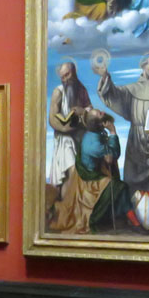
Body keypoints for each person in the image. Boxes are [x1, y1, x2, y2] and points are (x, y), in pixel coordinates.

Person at [96, 53, 149, 196]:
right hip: (136, 140)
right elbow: (114, 94)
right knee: (132, 182)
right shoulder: (132, 89)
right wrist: (105, 77)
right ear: (144, 66)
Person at [49, 108, 138, 234]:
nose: (103, 112)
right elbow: (113, 155)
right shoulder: (93, 144)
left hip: (94, 173)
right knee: (120, 187)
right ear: (100, 123)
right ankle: (134, 222)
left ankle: (120, 217)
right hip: (91, 181)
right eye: (100, 114)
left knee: (116, 184)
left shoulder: (93, 133)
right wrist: (113, 131)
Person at [48, 60, 91, 196]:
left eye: (67, 75)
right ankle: (67, 203)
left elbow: (89, 109)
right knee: (71, 171)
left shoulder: (82, 90)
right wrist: (67, 128)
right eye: (62, 77)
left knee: (80, 173)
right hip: (65, 139)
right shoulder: (58, 92)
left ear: (74, 73)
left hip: (80, 138)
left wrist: (84, 112)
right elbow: (53, 119)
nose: (65, 79)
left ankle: (74, 203)